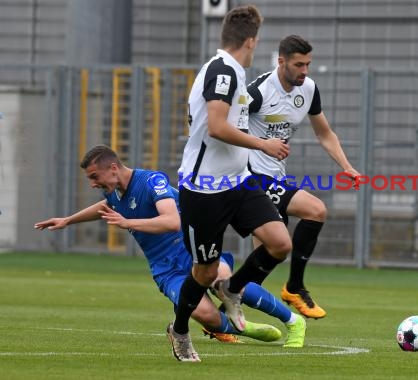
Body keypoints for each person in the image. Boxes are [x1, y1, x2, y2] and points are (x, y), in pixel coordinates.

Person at [35, 145, 306, 363]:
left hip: (190, 250)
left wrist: (129, 223)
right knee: (207, 317)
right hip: (165, 269)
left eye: (95, 176)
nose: (93, 183)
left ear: (114, 168)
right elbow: (103, 207)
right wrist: (67, 220)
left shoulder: (151, 181)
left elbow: (172, 221)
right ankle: (244, 329)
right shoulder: (115, 193)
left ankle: (293, 321)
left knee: (225, 283)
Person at [175, 5, 300, 362]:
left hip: (238, 183)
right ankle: (180, 330)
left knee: (279, 243)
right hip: (205, 190)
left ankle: (233, 288)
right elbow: (216, 126)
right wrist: (264, 144)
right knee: (204, 271)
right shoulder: (223, 71)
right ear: (250, 41)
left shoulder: (234, 73)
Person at [247, 35, 361, 319]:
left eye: (308, 64)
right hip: (250, 178)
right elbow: (224, 128)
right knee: (316, 210)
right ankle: (295, 287)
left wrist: (345, 166)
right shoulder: (258, 91)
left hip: (276, 177)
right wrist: (261, 145)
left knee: (266, 259)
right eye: (299, 64)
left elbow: (325, 133)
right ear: (281, 61)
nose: (305, 71)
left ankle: (221, 318)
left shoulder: (308, 89)